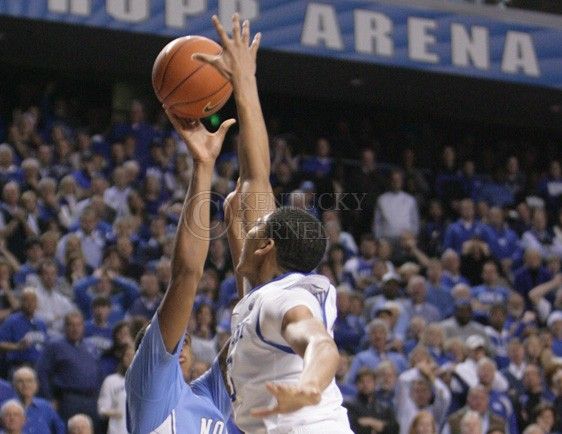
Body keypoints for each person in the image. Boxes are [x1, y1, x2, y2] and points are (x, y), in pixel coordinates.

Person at [195, 14, 352, 433]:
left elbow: (319, 343)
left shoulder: (283, 299)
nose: (244, 227)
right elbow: (255, 175)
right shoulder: (264, 291)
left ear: (266, 247)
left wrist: (310, 386)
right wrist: (244, 82)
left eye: (253, 231)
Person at [125, 72, 236, 433]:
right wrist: (203, 167)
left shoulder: (209, 398)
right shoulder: (152, 387)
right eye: (175, 343)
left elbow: (250, 324)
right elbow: (187, 275)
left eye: (183, 340)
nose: (182, 345)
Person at [36, 310, 101, 427]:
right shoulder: (54, 345)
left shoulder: (91, 346)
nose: (75, 328)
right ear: (65, 327)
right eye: (71, 325)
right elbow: (42, 373)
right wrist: (49, 398)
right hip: (68, 399)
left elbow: (98, 371)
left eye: (78, 325)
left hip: (91, 399)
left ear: (83, 326)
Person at [344, 368, 398, 434]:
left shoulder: (384, 407)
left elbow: (394, 428)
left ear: (375, 383)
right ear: (357, 384)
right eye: (362, 381)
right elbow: (352, 426)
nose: (365, 384)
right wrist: (379, 426)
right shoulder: (349, 405)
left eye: (369, 381)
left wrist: (370, 422)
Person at [11, 366, 65, 434]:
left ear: (36, 385)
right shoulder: (5, 409)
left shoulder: (46, 407)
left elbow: (60, 429)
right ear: (13, 385)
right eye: (20, 381)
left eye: (29, 381)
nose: (25, 385)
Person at [98, 345, 133, 434]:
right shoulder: (111, 381)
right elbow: (102, 409)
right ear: (122, 358)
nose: (130, 359)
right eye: (127, 356)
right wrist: (115, 412)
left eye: (133, 355)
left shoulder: (144, 381)